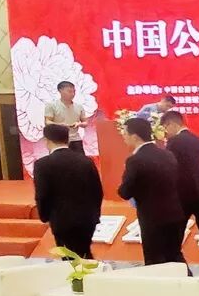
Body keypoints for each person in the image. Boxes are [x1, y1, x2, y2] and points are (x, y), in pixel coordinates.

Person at [117, 118, 186, 268]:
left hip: (152, 218)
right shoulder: (168, 154)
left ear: (135, 136)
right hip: (175, 213)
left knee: (155, 261)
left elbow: (125, 192)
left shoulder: (135, 160)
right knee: (175, 255)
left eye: (125, 133)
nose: (123, 136)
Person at [33, 124, 103, 259]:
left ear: (47, 140)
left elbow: (42, 194)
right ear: (68, 139)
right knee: (84, 252)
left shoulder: (42, 164)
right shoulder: (85, 161)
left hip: (61, 220)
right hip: (87, 220)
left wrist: (45, 216)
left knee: (69, 258)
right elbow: (97, 191)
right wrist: (95, 215)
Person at [161, 110, 199, 274]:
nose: (166, 132)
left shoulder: (173, 143)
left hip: (183, 194)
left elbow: (168, 167)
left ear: (172, 124)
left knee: (176, 235)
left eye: (165, 127)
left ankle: (182, 271)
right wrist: (198, 176)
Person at [44, 81, 87, 154]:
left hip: (75, 139)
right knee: (58, 160)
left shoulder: (79, 106)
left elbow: (85, 123)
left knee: (80, 159)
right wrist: (60, 125)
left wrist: (78, 124)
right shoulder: (51, 105)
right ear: (60, 91)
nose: (72, 94)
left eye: (74, 91)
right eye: (69, 91)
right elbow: (47, 122)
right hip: (58, 141)